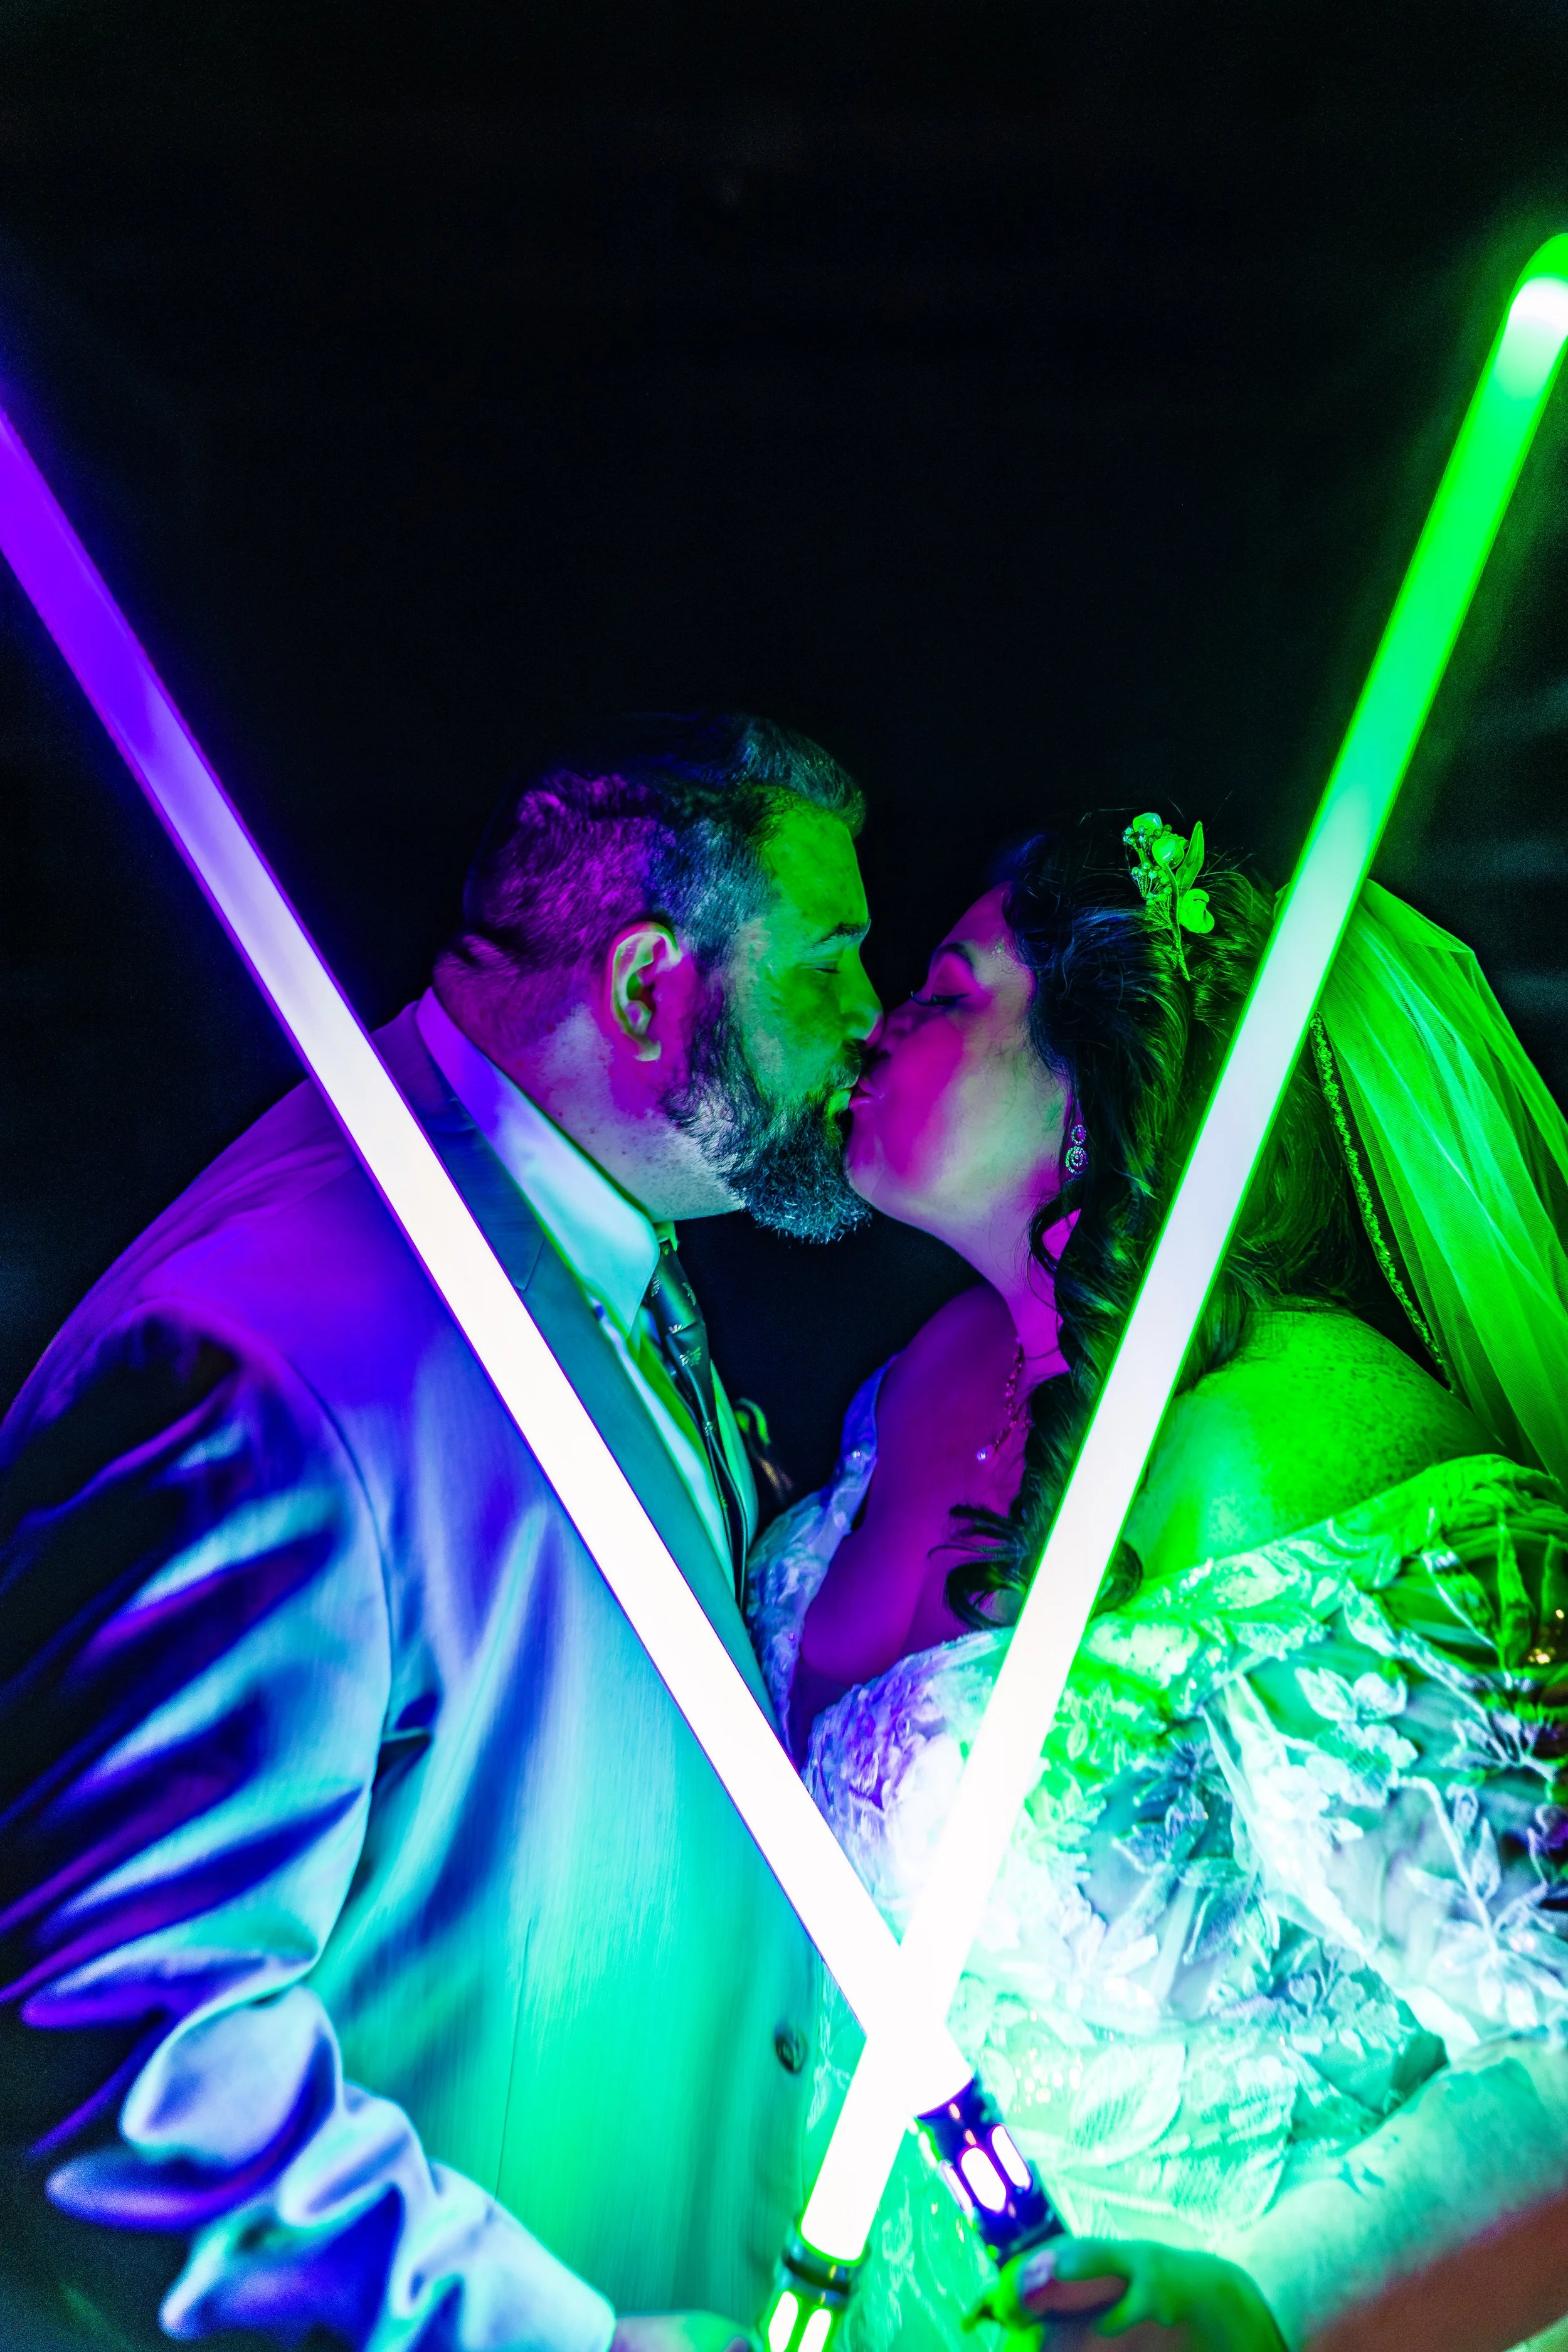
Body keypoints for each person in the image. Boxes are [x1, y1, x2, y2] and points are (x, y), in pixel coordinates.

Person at [0, 712, 881, 2352]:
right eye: (829, 954)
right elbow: (123, 2059)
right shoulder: (264, 1354)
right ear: (642, 987)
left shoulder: (597, 1230)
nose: (868, 1015)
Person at [749, 816, 1568, 2352]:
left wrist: (1275, 2306)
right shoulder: (930, 1378)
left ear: (1099, 1068)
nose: (876, 1023)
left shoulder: (1303, 1451)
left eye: (941, 986)